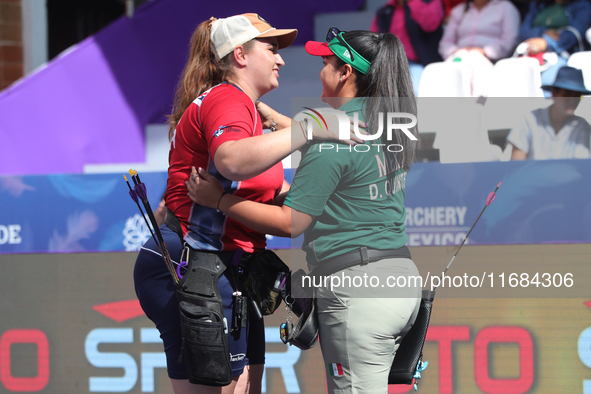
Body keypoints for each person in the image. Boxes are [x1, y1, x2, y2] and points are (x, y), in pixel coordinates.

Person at [133, 13, 362, 394]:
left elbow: (273, 198)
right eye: (271, 49)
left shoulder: (248, 112)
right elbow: (231, 160)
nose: (281, 59)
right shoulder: (227, 98)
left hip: (227, 267)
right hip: (192, 263)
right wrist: (312, 125)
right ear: (240, 55)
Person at [187, 27, 422, 393]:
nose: (319, 71)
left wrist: (218, 200)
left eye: (326, 62)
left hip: (358, 290)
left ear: (345, 72)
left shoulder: (331, 142)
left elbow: (292, 223)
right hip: (401, 281)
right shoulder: (388, 124)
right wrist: (279, 120)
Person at [438, 0, 521, 96]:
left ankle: (476, 104)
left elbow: (509, 40)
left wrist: (485, 52)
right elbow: (445, 43)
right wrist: (457, 52)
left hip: (491, 61)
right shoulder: (458, 11)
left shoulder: (506, 8)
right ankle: (477, 105)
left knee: (475, 60)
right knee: (463, 61)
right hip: (460, 58)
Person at [508, 66, 591, 160]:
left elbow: (580, 169)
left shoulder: (583, 127)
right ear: (553, 93)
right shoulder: (530, 119)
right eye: (567, 94)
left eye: (577, 95)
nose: (572, 100)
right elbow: (516, 164)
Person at [371, 0, 445, 95]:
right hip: (389, 64)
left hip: (421, 65)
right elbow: (374, 40)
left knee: (414, 92)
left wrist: (412, 2)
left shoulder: (432, 2)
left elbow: (430, 24)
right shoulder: (385, 10)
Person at [518, 0, 591, 96]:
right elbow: (523, 32)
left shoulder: (582, 5)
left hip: (562, 55)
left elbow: (575, 34)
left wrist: (547, 43)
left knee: (551, 82)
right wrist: (544, 33)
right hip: (531, 53)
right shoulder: (538, 4)